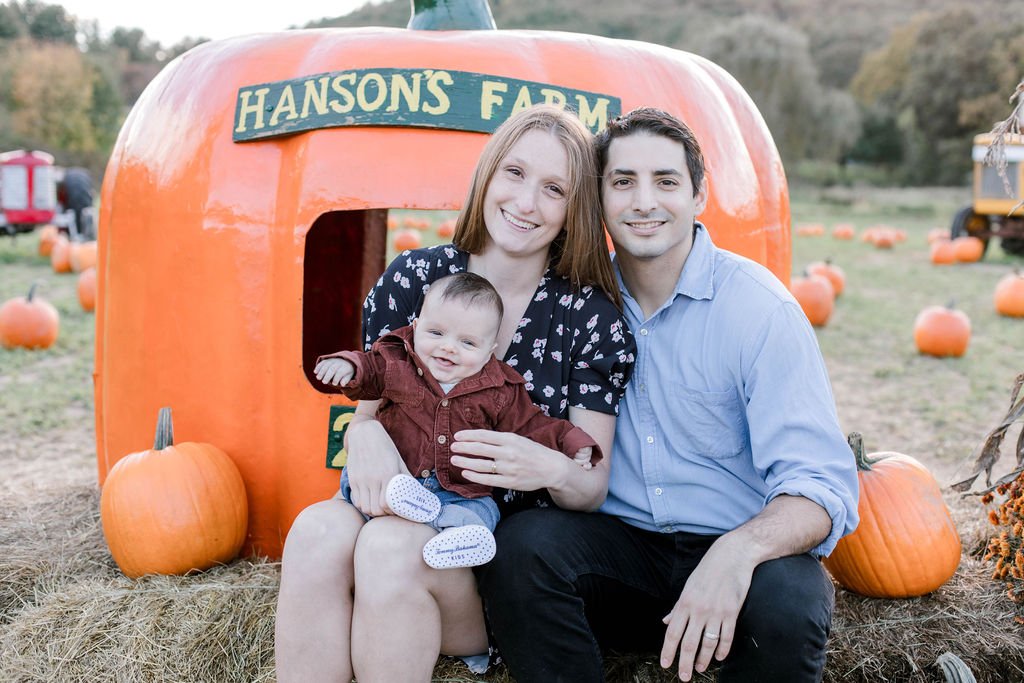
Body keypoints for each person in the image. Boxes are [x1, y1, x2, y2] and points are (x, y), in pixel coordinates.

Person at [476, 107, 860, 682]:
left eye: (666, 181)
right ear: (598, 198)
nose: (643, 202)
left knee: (789, 600)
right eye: (623, 182)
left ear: (698, 194)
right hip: (620, 554)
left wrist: (736, 552)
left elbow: (821, 488)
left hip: (738, 551)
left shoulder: (760, 310)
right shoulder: (577, 308)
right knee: (523, 547)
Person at [275, 104, 636, 683]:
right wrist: (363, 434)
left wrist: (543, 463)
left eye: (554, 189)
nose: (525, 203)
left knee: (391, 549)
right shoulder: (416, 280)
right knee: (316, 533)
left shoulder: (586, 317)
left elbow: (589, 486)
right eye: (514, 174)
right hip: (398, 504)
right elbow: (371, 404)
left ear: (575, 210)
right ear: (488, 175)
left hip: (492, 556)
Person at [313, 271, 601, 570]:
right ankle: (409, 505)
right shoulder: (396, 361)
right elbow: (368, 368)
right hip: (394, 476)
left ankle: (462, 541)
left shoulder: (500, 390)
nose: (448, 347)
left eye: (467, 342)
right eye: (436, 333)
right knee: (359, 481)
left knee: (481, 511)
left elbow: (534, 426)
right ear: (415, 327)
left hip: (458, 492)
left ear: (490, 351)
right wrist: (346, 365)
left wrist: (572, 442)